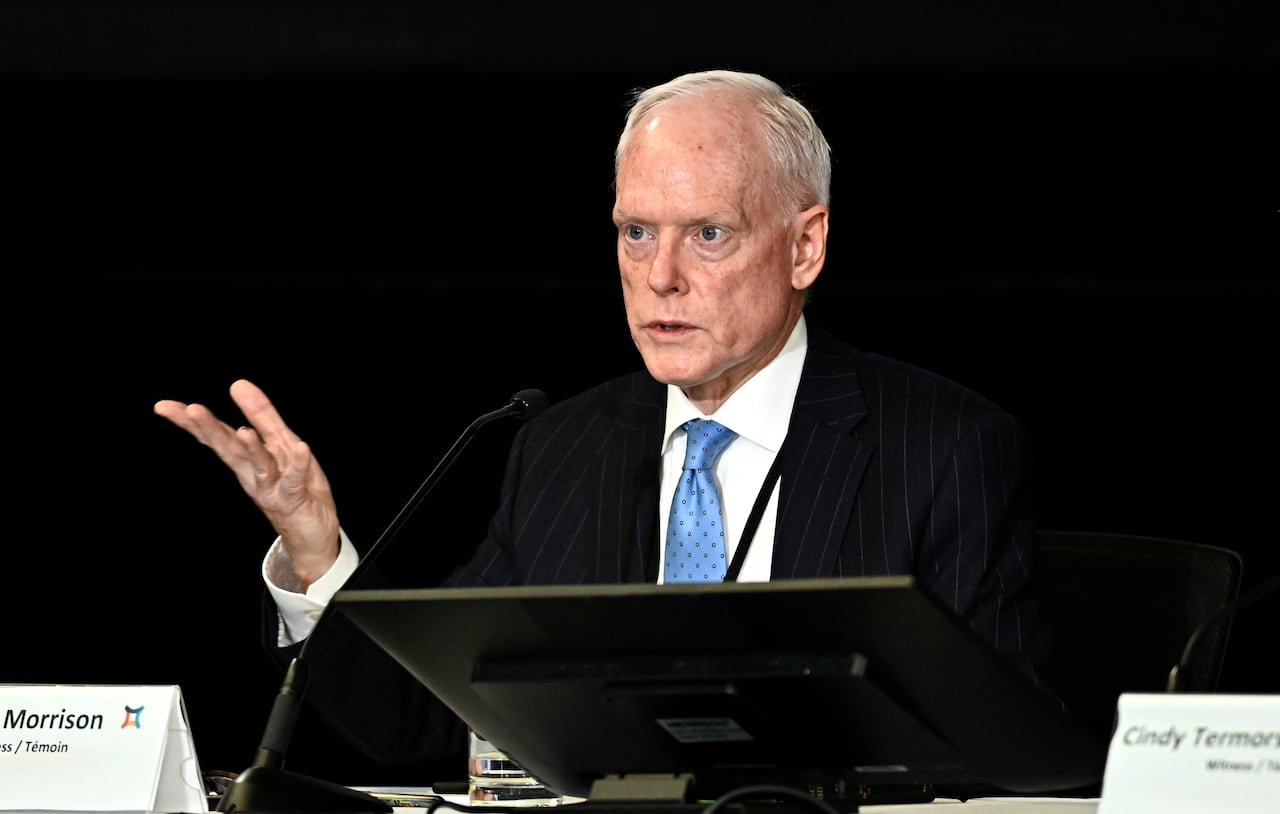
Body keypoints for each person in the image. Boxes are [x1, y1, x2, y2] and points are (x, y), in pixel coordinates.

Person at [155, 69, 1051, 775]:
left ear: (804, 245)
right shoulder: (564, 448)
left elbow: (1012, 759)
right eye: (634, 233)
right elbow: (424, 719)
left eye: (707, 234)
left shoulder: (941, 448)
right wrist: (316, 547)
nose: (660, 276)